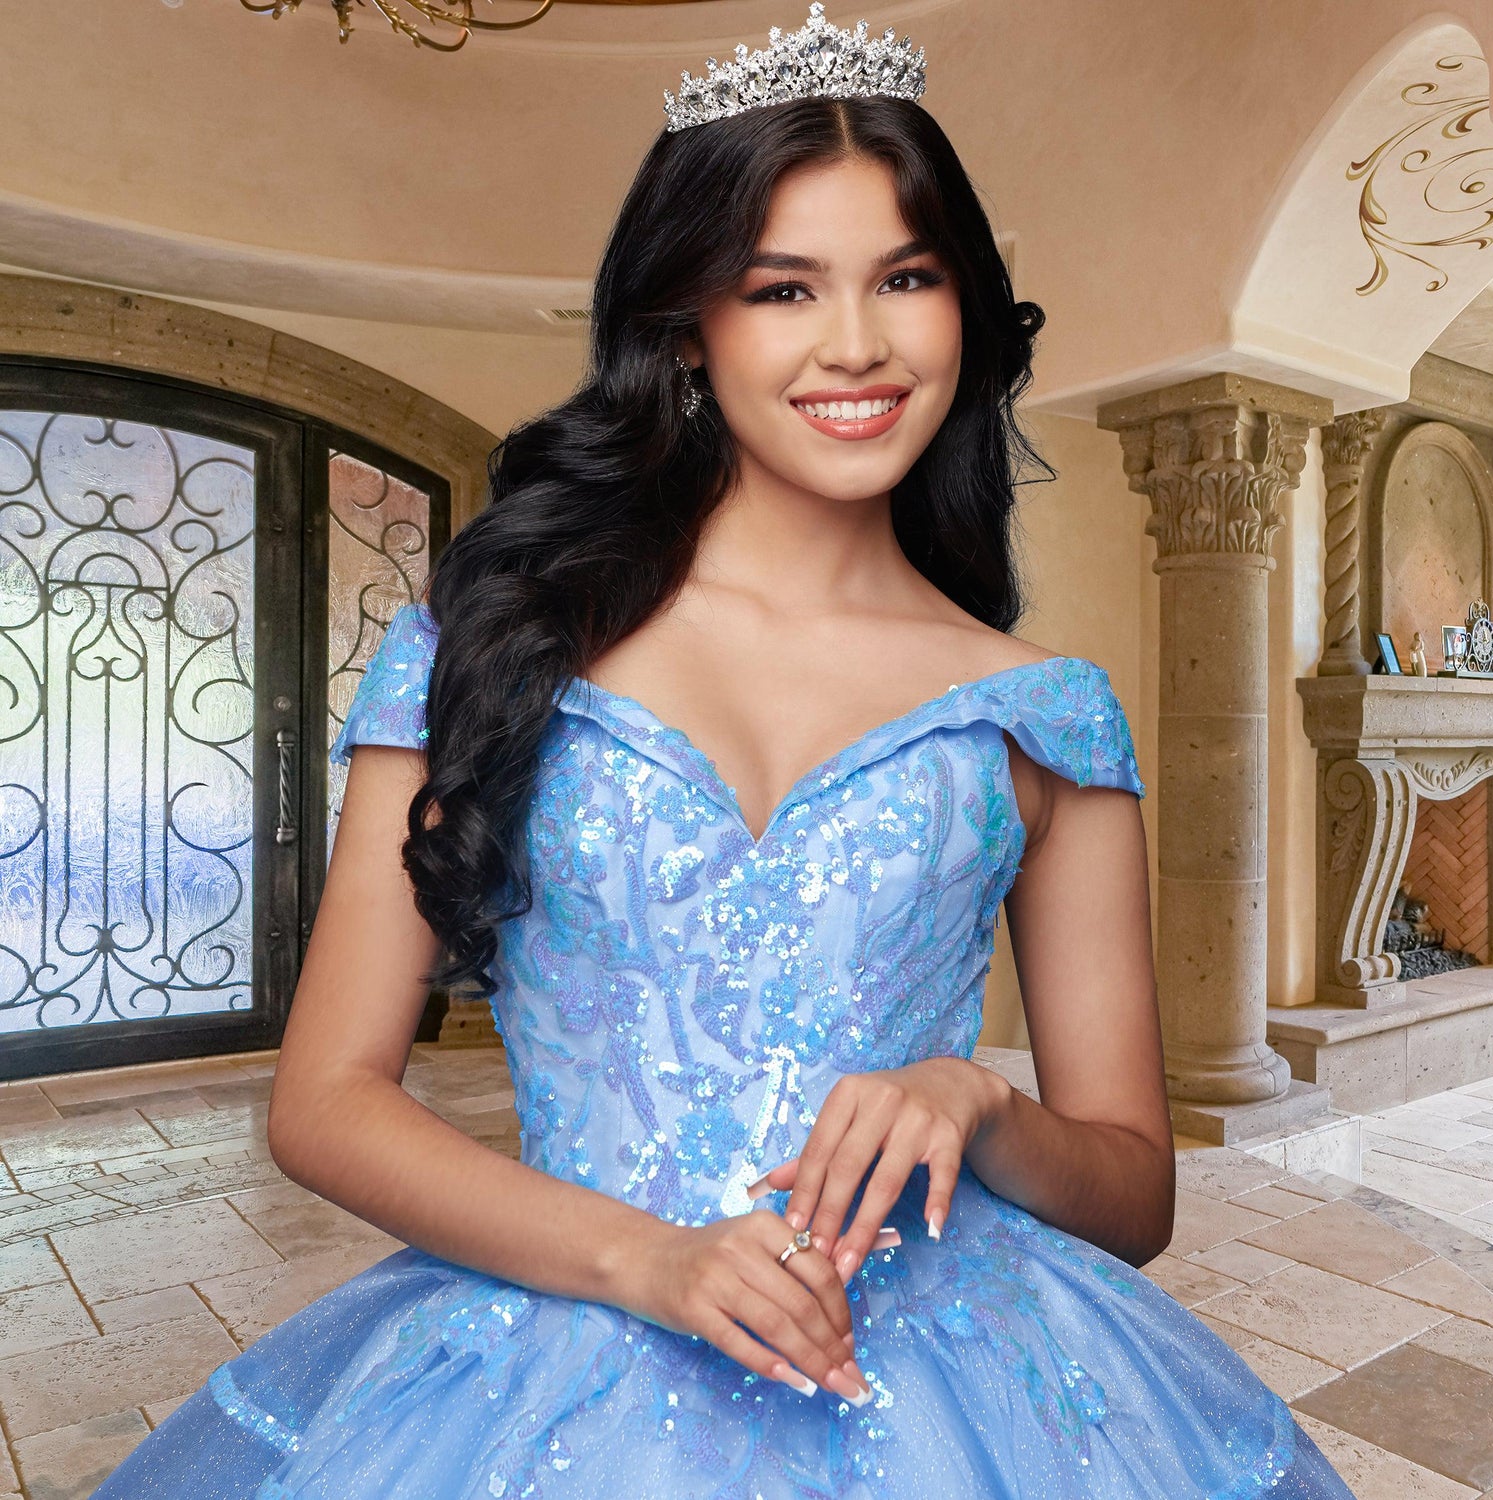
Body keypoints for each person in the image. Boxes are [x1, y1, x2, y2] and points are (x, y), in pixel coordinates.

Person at [95, 5, 1357, 1495]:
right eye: (783, 288)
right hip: (558, 1349)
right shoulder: (495, 632)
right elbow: (326, 1103)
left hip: (953, 1383)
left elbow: (1131, 1192)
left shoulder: (1042, 709)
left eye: (907, 276)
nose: (859, 343)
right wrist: (648, 1263)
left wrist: (979, 1106)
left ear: (966, 307)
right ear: (689, 325)